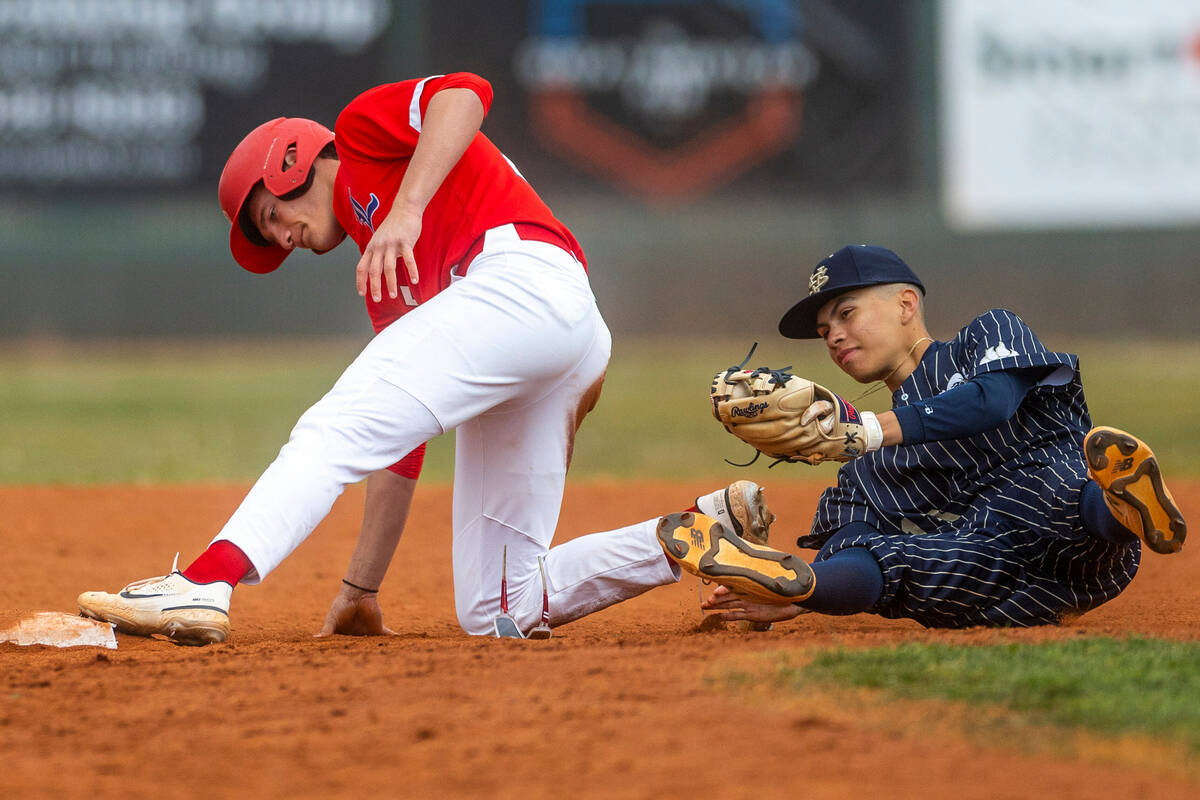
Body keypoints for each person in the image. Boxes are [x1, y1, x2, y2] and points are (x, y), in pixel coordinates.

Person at [76, 72, 774, 644]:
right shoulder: (388, 279)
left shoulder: (357, 135)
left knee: (330, 427)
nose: (281, 238)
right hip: (551, 336)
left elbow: (465, 93)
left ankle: (204, 582)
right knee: (501, 604)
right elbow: (397, 449)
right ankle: (694, 533)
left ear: (291, 164)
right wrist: (361, 588)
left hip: (523, 280)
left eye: (270, 217)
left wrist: (407, 207)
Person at [670, 244, 1187, 628]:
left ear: (905, 303)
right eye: (825, 332)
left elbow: (992, 401)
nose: (834, 336)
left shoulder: (986, 335)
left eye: (846, 313)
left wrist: (867, 429)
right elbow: (853, 543)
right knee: (904, 563)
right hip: (1006, 583)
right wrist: (802, 595)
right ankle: (798, 583)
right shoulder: (868, 468)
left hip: (1076, 525)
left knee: (1055, 490)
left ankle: (1119, 505)